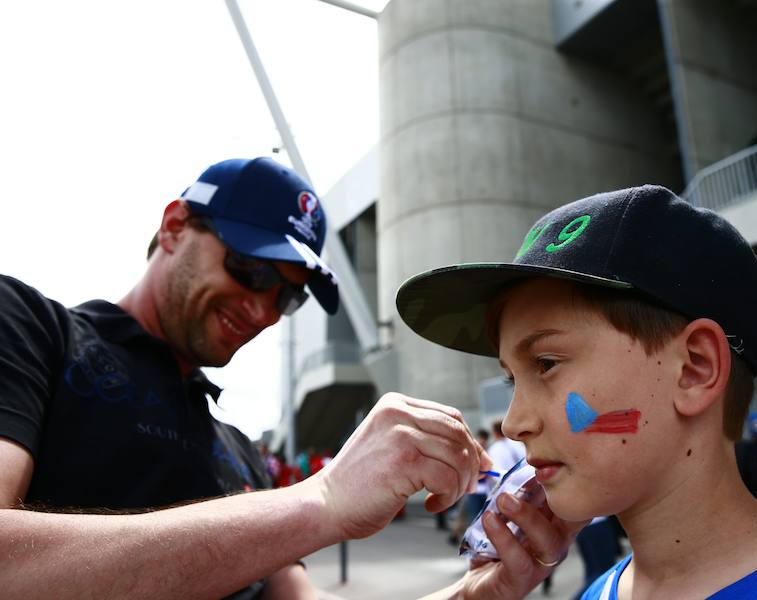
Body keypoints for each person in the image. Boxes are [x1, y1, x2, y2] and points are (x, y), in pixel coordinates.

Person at [0, 157, 496, 599]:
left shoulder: (239, 453)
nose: (263, 310)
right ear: (174, 226)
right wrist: (320, 501)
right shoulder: (31, 330)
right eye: (252, 269)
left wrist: (475, 595)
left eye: (286, 297)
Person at [400, 185, 757, 598]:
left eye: (545, 364)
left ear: (694, 369)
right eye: (513, 378)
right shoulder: (603, 592)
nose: (513, 423)